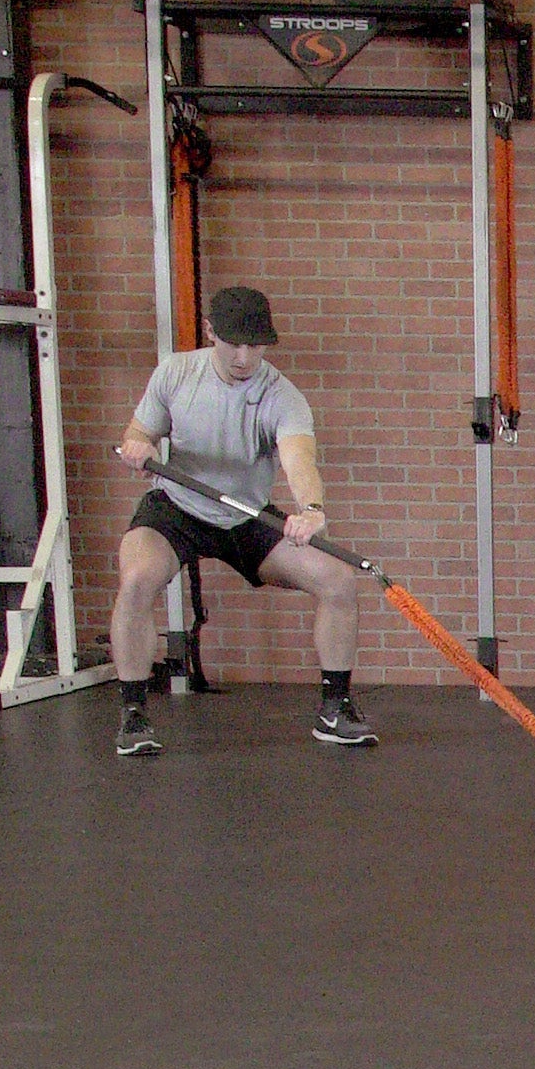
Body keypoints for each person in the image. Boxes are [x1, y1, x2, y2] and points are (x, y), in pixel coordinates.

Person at [110, 286, 375, 757]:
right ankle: (133, 714)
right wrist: (139, 447)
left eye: (255, 345)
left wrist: (311, 509)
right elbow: (139, 433)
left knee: (337, 580)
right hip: (176, 507)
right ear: (211, 332)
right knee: (137, 578)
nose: (244, 356)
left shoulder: (282, 395)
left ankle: (335, 709)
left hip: (244, 514)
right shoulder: (176, 373)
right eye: (233, 343)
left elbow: (299, 460)